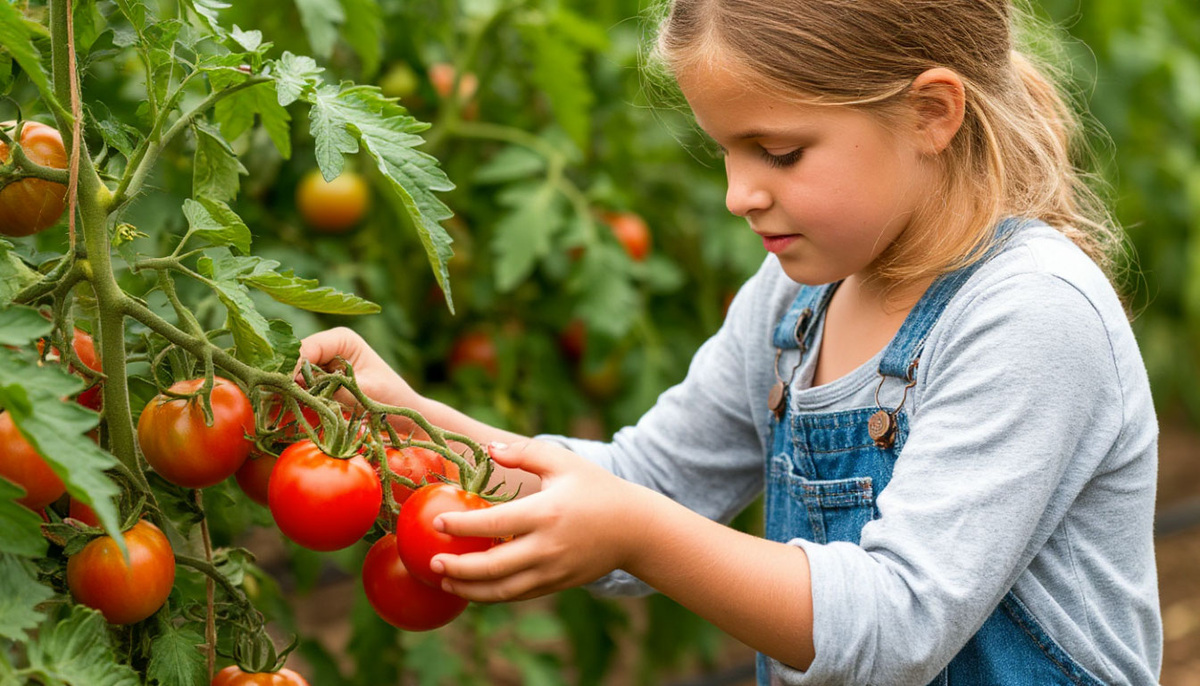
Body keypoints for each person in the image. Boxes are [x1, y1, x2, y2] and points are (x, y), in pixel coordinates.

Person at [298, 0, 1162, 683]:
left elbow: (897, 624)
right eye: (725, 151)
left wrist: (635, 531)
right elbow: (648, 481)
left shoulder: (1031, 314)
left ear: (931, 113)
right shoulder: (797, 299)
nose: (737, 194)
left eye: (778, 152)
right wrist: (421, 428)